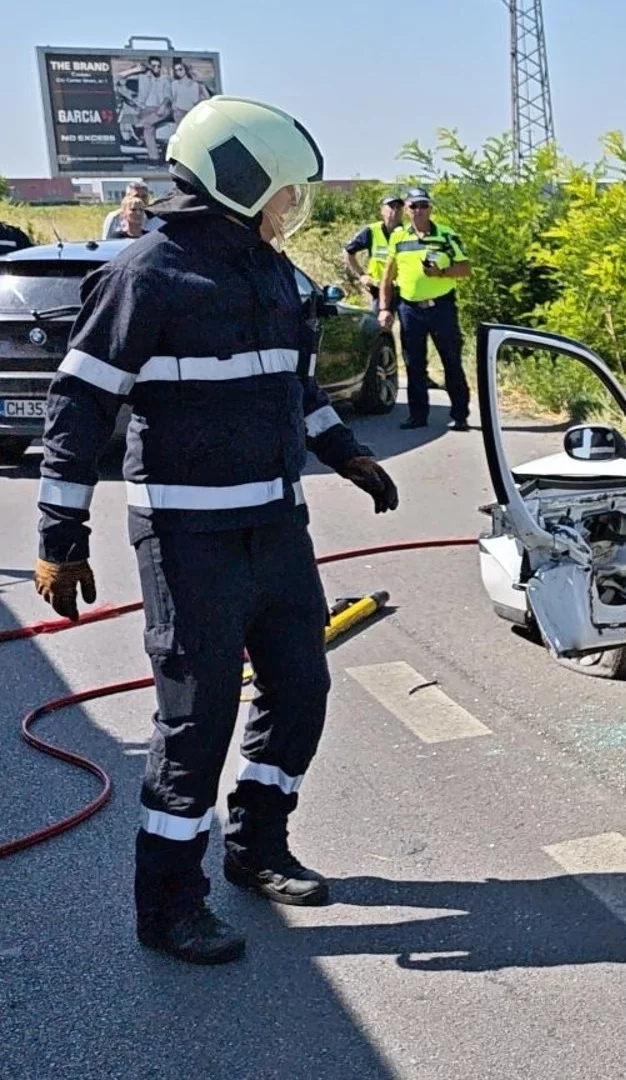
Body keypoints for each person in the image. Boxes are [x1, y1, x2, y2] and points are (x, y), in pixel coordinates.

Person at [32, 95, 400, 965]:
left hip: (276, 527)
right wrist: (59, 534)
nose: (291, 210)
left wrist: (346, 453)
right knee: (196, 721)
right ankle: (168, 904)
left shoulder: (269, 272)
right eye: (283, 193)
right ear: (241, 181)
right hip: (189, 541)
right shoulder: (148, 275)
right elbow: (79, 404)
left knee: (301, 691)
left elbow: (292, 386)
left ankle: (257, 846)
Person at [378, 187, 471, 431]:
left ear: (430, 208)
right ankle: (417, 416)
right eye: (413, 206)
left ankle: (460, 415)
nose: (419, 210)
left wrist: (441, 272)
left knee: (451, 361)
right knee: (414, 364)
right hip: (410, 309)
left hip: (441, 307)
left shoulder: (446, 236)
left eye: (423, 205)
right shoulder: (399, 238)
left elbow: (465, 268)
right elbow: (388, 277)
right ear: (406, 210)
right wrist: (385, 308)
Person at [344, 193, 405, 308]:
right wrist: (361, 275)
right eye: (391, 206)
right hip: (378, 288)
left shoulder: (408, 232)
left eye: (399, 207)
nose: (395, 210)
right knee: (380, 324)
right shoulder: (371, 231)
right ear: (382, 210)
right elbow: (348, 252)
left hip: (403, 289)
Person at [133, 56, 170, 162]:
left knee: (145, 124)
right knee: (149, 130)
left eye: (159, 66)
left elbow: (168, 96)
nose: (156, 68)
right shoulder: (142, 77)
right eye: (154, 66)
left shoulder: (164, 79)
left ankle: (154, 157)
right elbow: (120, 76)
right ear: (149, 66)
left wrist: (162, 106)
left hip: (161, 109)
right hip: (145, 109)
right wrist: (135, 69)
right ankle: (154, 157)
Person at [167, 59, 210, 126]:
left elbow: (196, 99)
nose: (178, 72)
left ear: (185, 70)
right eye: (176, 70)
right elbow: (173, 99)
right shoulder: (174, 84)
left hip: (191, 112)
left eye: (180, 69)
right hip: (179, 112)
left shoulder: (195, 84)